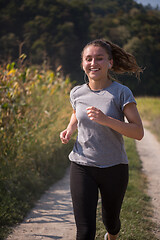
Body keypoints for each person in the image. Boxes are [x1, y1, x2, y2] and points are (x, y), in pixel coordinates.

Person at [60, 39, 144, 240]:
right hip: (82, 165)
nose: (93, 63)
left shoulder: (121, 92)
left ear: (110, 63)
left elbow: (138, 132)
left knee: (111, 222)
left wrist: (106, 120)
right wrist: (70, 128)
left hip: (114, 167)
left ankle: (112, 235)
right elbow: (76, 114)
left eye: (99, 58)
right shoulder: (77, 92)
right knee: (85, 231)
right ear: (82, 63)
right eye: (88, 59)